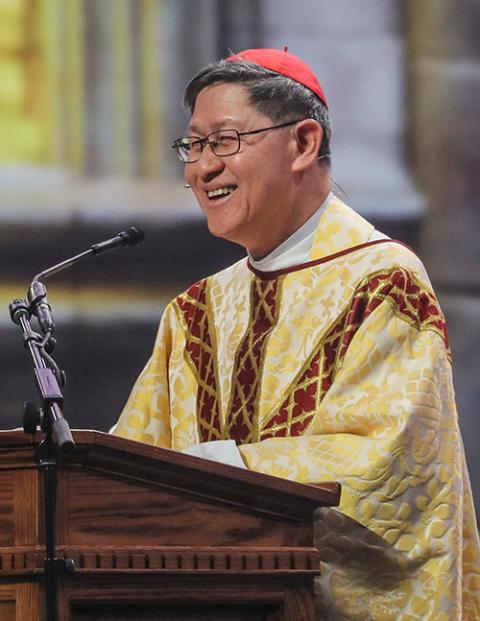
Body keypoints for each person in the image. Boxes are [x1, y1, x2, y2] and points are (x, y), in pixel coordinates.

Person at [112, 48, 479, 619]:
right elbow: (130, 468)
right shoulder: (193, 312)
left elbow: (383, 466)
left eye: (225, 140)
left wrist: (216, 469)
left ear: (304, 144)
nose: (203, 167)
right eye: (194, 145)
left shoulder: (382, 283)